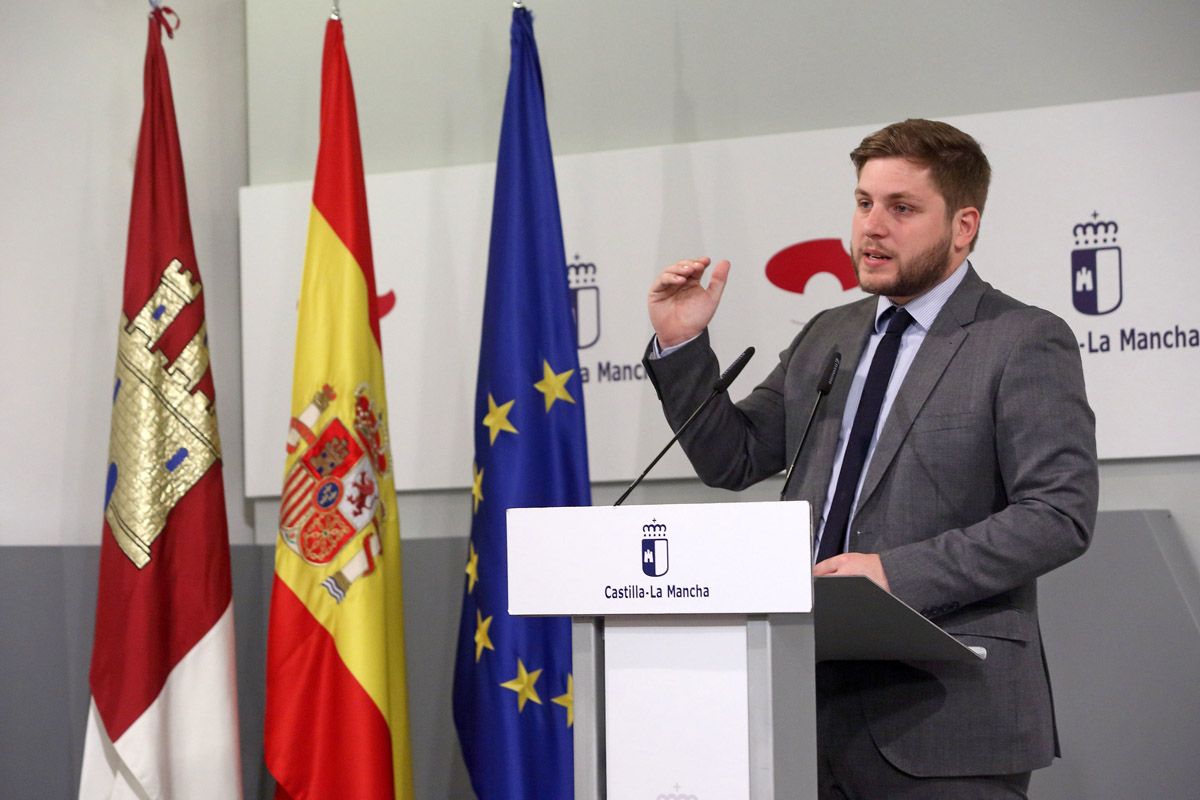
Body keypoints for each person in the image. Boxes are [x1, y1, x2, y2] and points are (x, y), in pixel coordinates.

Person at [641, 119, 1099, 798]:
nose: (871, 228)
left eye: (901, 208)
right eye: (863, 203)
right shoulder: (831, 333)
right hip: (806, 707)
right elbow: (733, 458)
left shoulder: (1021, 339)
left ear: (963, 226)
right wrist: (681, 346)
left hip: (947, 717)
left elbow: (1058, 514)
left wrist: (891, 573)